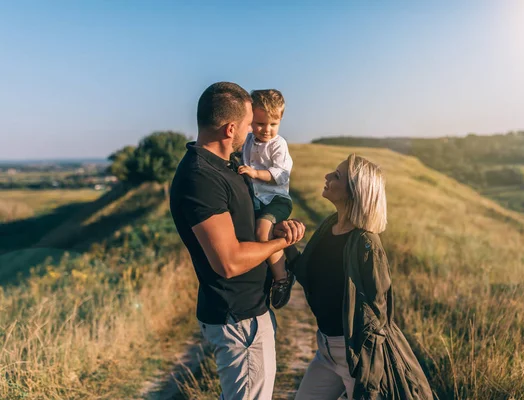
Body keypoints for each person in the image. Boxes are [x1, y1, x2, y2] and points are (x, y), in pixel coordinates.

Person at [169, 82, 305, 400]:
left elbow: (244, 226)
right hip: (238, 320)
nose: (252, 132)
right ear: (231, 128)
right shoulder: (200, 178)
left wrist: (273, 228)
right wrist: (278, 246)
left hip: (250, 311)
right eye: (248, 124)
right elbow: (228, 262)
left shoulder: (226, 165)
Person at [278, 154, 433, 400]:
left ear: (355, 193)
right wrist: (286, 241)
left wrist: (367, 366)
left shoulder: (366, 243)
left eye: (337, 176)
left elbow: (378, 312)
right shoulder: (329, 226)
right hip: (326, 350)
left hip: (352, 355)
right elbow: (307, 275)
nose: (327, 177)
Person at [238, 89, 295, 309]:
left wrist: (254, 173)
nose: (267, 130)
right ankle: (282, 256)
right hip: (257, 199)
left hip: (276, 199)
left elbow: (280, 175)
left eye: (273, 124)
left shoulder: (278, 145)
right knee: (250, 230)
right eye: (260, 124)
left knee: (262, 232)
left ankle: (282, 278)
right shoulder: (249, 140)